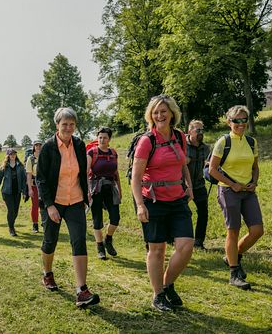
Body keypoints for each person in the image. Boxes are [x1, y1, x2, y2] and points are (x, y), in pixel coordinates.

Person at [130, 95, 194, 312]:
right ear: (151, 115)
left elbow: (182, 162)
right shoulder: (147, 141)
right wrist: (140, 204)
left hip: (178, 199)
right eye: (156, 112)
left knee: (186, 246)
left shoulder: (179, 136)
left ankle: (167, 285)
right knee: (157, 250)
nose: (160, 116)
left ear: (172, 113)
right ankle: (158, 295)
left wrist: (189, 185)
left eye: (164, 111)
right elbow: (136, 177)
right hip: (153, 200)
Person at [37, 107, 100, 308]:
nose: (68, 128)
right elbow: (41, 179)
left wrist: (85, 194)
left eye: (72, 124)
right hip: (53, 203)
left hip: (75, 201)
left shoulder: (79, 145)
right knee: (50, 240)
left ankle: (82, 290)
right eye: (64, 124)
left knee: (79, 240)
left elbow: (83, 172)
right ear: (57, 125)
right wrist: (49, 206)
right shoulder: (48, 147)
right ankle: (47, 273)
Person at [208, 105, 263, 291]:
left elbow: (255, 167)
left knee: (257, 230)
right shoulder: (223, 142)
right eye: (236, 120)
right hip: (228, 191)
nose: (240, 124)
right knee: (233, 231)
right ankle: (234, 272)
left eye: (243, 120)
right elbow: (212, 170)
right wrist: (232, 184)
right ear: (228, 122)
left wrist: (254, 182)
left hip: (248, 192)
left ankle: (232, 256)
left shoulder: (251, 142)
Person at [87, 127, 122, 260]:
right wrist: (87, 192)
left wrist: (120, 190)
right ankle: (100, 246)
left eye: (105, 137)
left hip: (110, 188)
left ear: (109, 139)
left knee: (115, 218)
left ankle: (108, 239)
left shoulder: (113, 153)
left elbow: (116, 173)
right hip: (95, 188)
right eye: (100, 137)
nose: (102, 140)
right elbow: (85, 173)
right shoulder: (92, 152)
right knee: (97, 220)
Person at [185, 120, 211, 250]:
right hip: (182, 186)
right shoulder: (182, 145)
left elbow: (210, 163)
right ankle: (174, 238)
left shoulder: (205, 148)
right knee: (181, 213)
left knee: (203, 213)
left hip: (199, 185)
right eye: (197, 130)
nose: (201, 133)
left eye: (202, 130)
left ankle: (199, 242)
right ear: (190, 131)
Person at [0, 148, 28, 236]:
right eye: (11, 154)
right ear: (8, 155)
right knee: (11, 210)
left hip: (17, 192)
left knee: (15, 211)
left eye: (14, 154)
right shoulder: (4, 166)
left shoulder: (20, 165)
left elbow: (24, 180)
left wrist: (24, 192)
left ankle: (11, 223)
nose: (13, 155)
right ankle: (11, 228)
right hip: (7, 192)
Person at [25, 140, 42, 233]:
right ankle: (35, 224)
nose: (38, 147)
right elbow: (28, 174)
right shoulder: (30, 159)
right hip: (34, 185)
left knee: (45, 205)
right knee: (35, 206)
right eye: (36, 145)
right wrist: (30, 189)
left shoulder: (45, 157)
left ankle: (44, 223)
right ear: (34, 147)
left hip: (44, 185)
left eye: (40, 145)